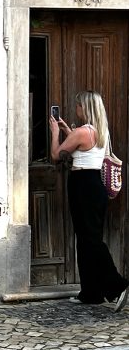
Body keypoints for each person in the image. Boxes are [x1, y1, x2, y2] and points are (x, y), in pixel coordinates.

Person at [49, 90, 128, 312]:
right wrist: (67, 130)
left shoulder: (82, 132)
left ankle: (118, 286)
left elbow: (57, 155)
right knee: (87, 238)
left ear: (85, 108)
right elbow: (84, 148)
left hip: (83, 185)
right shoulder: (99, 131)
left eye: (78, 106)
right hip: (94, 185)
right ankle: (91, 293)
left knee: (90, 240)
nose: (76, 109)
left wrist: (56, 132)